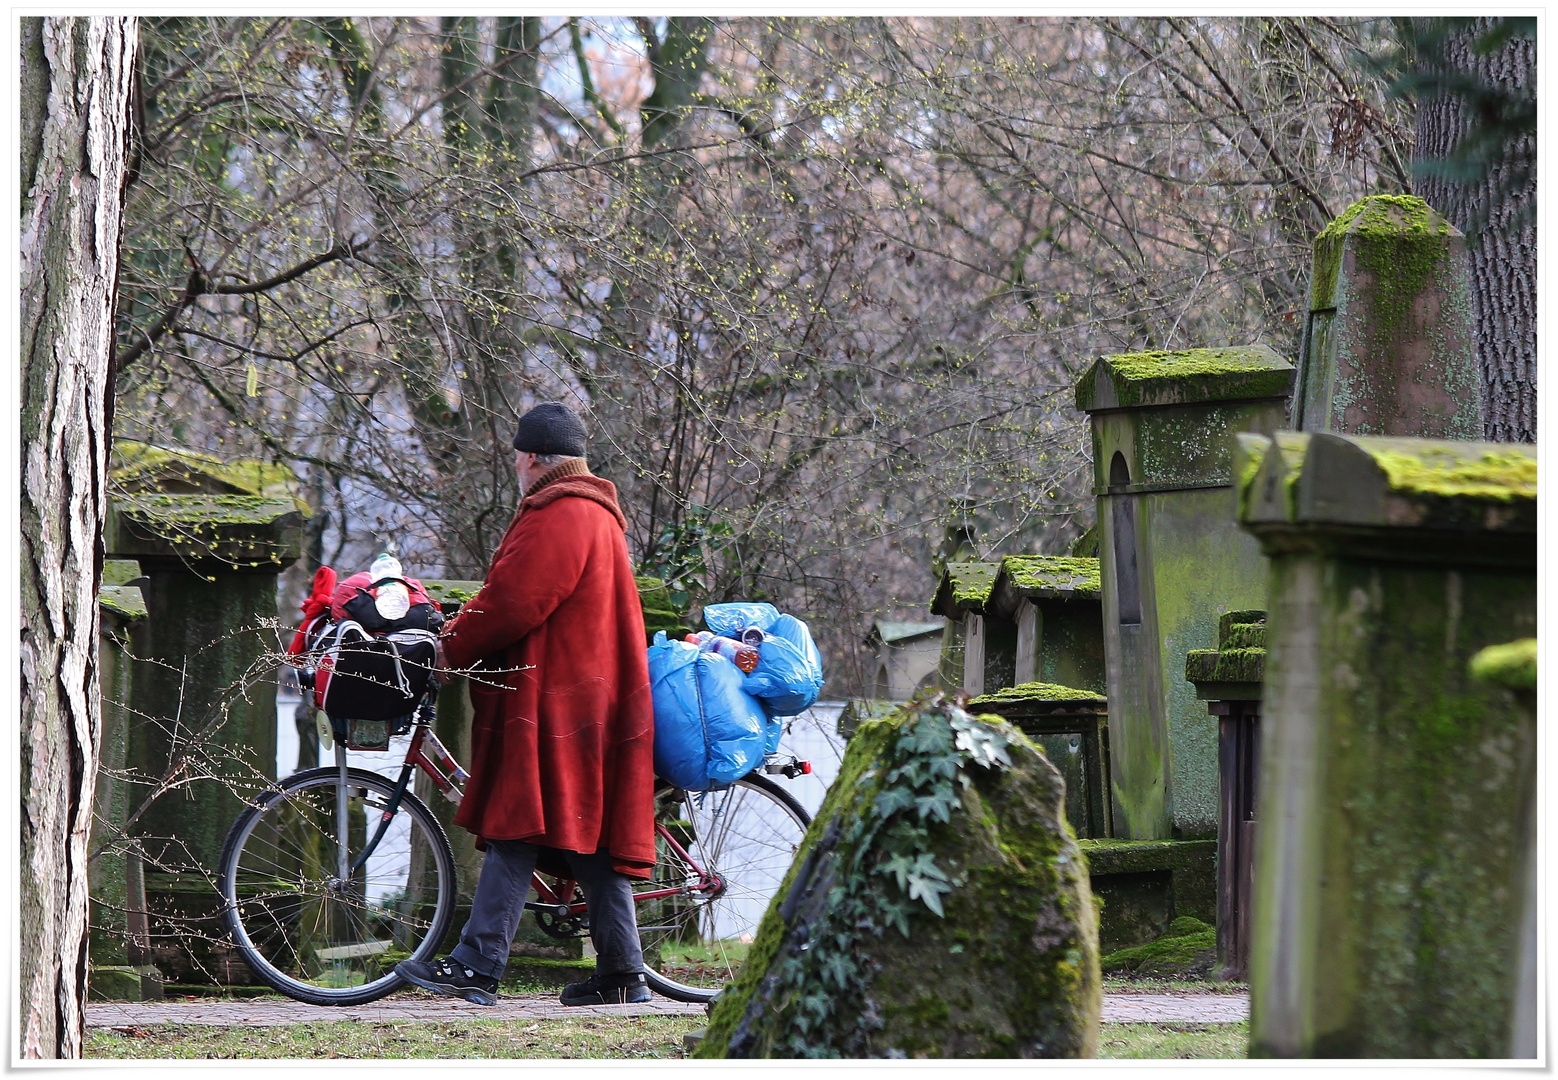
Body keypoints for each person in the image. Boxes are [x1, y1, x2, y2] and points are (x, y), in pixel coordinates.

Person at [395, 401, 656, 1006]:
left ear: (534, 458)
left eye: (516, 455)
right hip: (591, 698)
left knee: (519, 822)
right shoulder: (596, 513)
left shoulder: (562, 512)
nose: (515, 466)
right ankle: (623, 973)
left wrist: (448, 647)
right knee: (588, 838)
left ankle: (477, 965)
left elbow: (514, 600)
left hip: (554, 700)